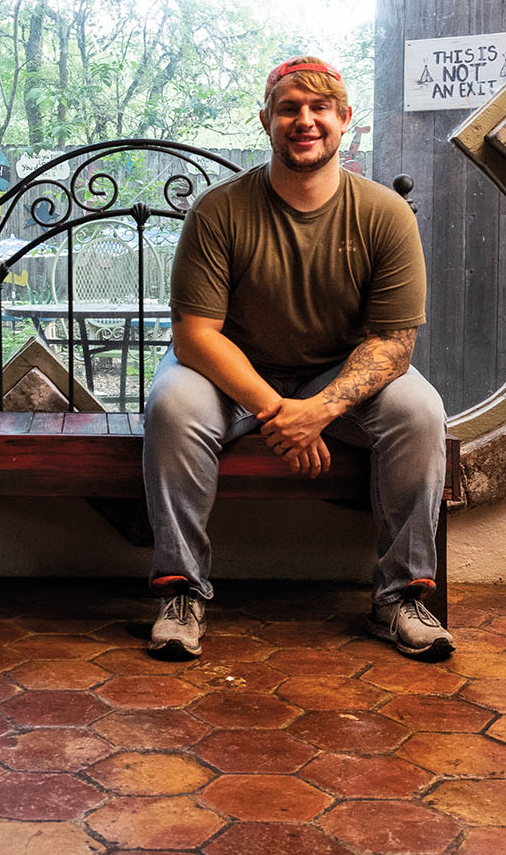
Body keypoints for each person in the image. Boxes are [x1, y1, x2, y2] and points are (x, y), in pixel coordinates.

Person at [143, 56, 452, 661]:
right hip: (230, 375)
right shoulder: (218, 210)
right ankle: (181, 593)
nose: (303, 121)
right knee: (172, 404)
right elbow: (195, 336)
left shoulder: (385, 215)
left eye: (318, 109)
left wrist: (320, 409)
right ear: (266, 121)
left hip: (338, 376)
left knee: (420, 410)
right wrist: (279, 410)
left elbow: (394, 344)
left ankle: (400, 600)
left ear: (345, 120)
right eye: (289, 108)